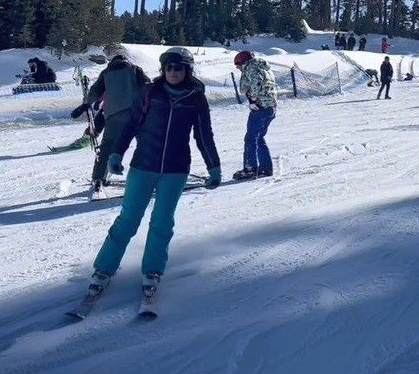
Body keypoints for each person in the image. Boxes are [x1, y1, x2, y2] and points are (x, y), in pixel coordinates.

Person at [80, 47, 222, 307]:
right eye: (168, 67)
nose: (173, 72)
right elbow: (130, 124)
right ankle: (103, 269)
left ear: (187, 69)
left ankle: (153, 270)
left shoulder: (196, 98)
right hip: (143, 165)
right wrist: (116, 154)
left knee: (162, 221)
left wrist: (213, 167)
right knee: (128, 219)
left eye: (178, 68)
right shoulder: (149, 93)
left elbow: (204, 135)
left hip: (176, 168)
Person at [72, 53, 151, 196]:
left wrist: (87, 103)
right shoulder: (134, 69)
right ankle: (150, 177)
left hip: (113, 115)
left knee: (107, 148)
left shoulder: (106, 72)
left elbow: (95, 91)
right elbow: (147, 86)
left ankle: (98, 179)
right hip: (136, 113)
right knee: (146, 146)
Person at [233, 50, 278, 179]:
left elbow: (257, 81)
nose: (239, 69)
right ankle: (265, 168)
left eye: (238, 65)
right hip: (270, 107)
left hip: (260, 107)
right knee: (258, 138)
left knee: (251, 139)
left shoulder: (251, 68)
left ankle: (250, 169)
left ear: (243, 62)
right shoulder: (264, 68)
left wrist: (252, 99)